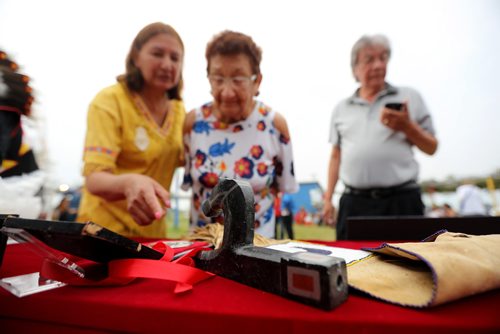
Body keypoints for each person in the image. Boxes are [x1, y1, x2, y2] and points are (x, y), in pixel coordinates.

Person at [182, 30, 298, 238]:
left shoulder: (275, 125)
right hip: (202, 243)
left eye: (238, 79)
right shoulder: (193, 123)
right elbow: (190, 181)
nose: (227, 92)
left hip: (258, 246)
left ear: (257, 81)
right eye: (218, 79)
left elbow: (283, 186)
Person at [322, 34, 438, 240]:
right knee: (353, 267)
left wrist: (407, 126)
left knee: (410, 267)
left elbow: (431, 147)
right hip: (354, 204)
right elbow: (335, 156)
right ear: (355, 70)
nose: (378, 65)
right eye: (369, 59)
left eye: (383, 58)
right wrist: (328, 198)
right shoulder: (341, 108)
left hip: (403, 202)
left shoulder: (409, 96)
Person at [76, 22, 186, 238]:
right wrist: (130, 182)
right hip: (102, 235)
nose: (167, 64)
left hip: (153, 236)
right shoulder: (109, 101)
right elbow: (94, 179)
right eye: (157, 54)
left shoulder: (180, 111)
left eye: (175, 58)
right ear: (135, 57)